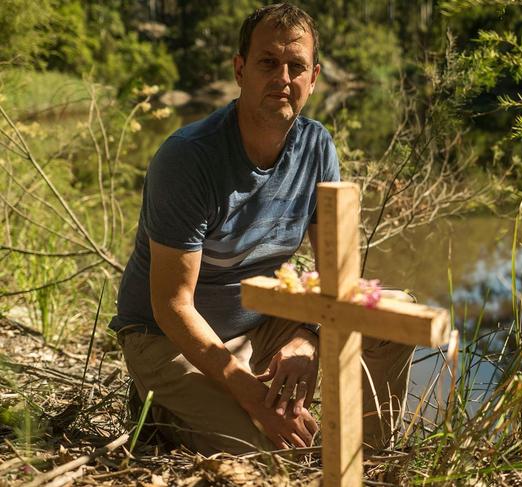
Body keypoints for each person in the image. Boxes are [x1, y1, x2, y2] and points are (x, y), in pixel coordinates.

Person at [109, 3, 414, 455]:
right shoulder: (189, 159)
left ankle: (366, 458)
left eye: (296, 66)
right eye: (268, 62)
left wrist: (306, 336)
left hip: (259, 323)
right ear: (240, 69)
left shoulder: (317, 147)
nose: (283, 78)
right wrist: (249, 393)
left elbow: (338, 275)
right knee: (271, 455)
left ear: (314, 78)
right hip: (165, 338)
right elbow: (172, 306)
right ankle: (161, 409)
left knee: (398, 317)